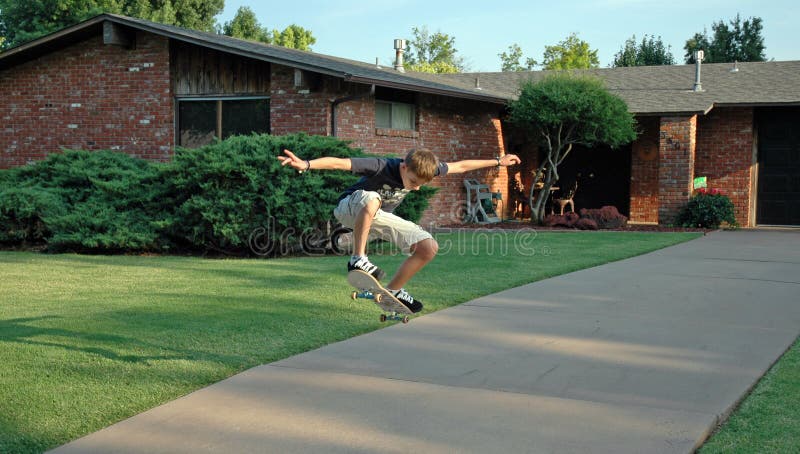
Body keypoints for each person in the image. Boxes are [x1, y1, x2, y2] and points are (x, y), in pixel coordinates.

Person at [278, 148, 521, 313]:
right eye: (413, 182)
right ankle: (358, 258)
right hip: (349, 207)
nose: (415, 188)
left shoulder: (428, 168)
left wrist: (499, 162)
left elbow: (461, 166)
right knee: (373, 198)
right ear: (404, 167)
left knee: (428, 247)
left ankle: (392, 292)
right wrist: (307, 164)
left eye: (420, 185)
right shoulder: (381, 165)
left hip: (377, 216)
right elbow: (341, 163)